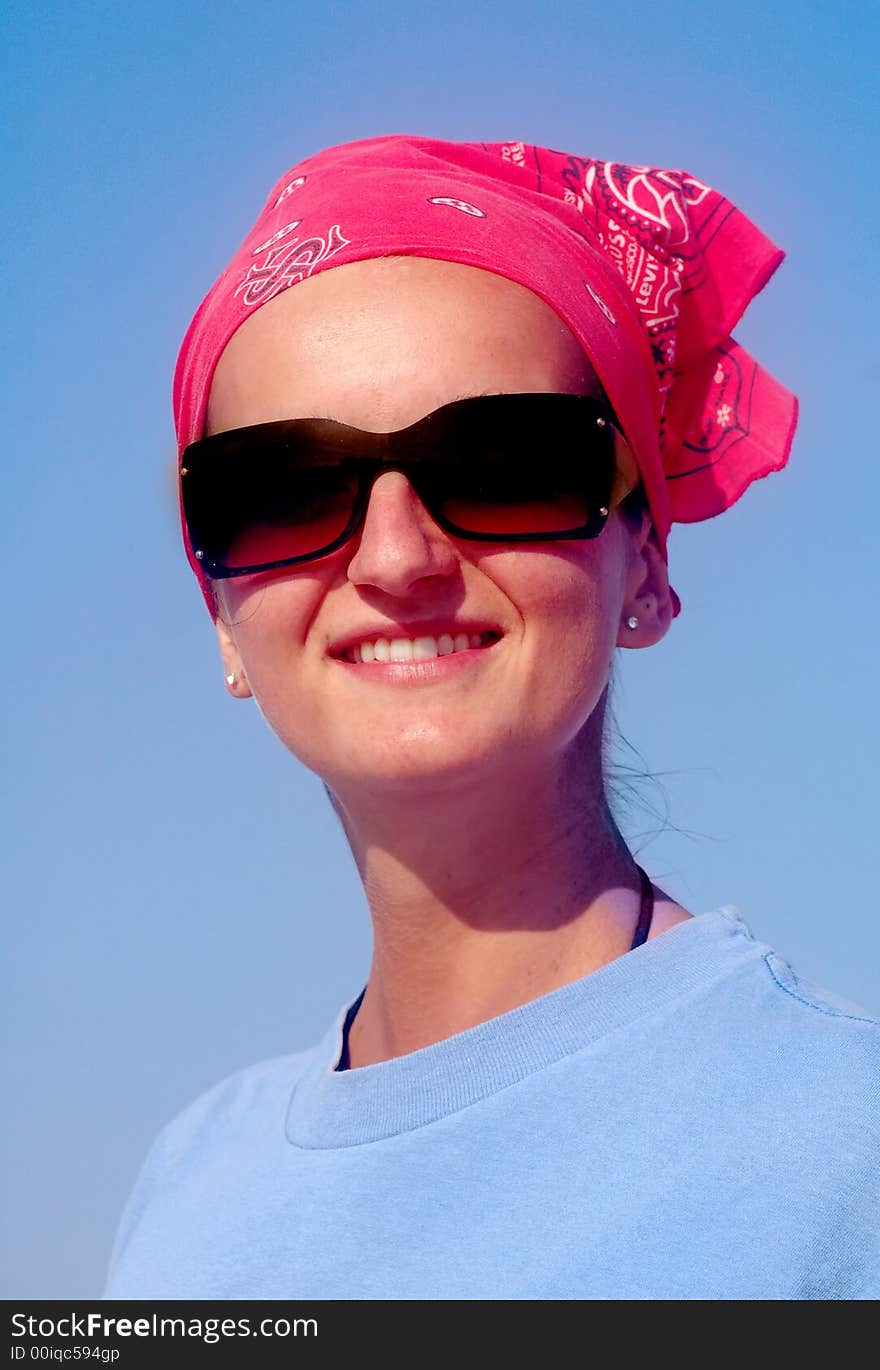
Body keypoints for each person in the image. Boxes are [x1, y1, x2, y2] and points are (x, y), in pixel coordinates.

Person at [104, 134, 879, 1300]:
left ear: (646, 563)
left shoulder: (844, 1148)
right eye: (282, 491)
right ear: (221, 615)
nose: (394, 556)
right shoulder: (181, 1197)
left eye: (504, 461)